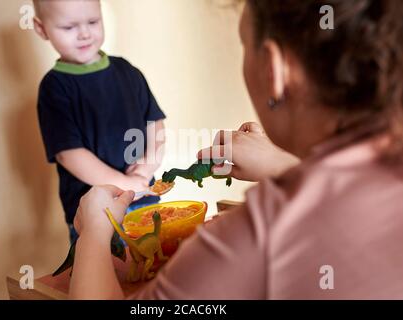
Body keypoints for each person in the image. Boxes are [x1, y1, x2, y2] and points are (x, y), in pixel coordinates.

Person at [69, 0, 403, 299]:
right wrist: (286, 168)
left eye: (244, 44)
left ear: (274, 70)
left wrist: (96, 233)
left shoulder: (259, 236)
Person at [33, 0, 166, 244]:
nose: (84, 33)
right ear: (41, 29)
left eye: (93, 22)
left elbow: (155, 124)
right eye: (69, 27)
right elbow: (69, 154)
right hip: (95, 213)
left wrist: (146, 168)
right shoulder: (54, 88)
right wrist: (126, 184)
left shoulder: (127, 71)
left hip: (145, 201)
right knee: (106, 276)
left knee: (154, 270)